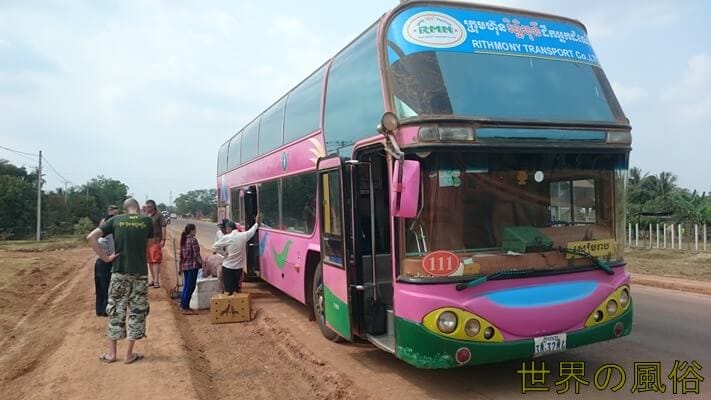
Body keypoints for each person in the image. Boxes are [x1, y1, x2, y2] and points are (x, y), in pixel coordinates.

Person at [87, 197, 153, 364]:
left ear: (124, 209)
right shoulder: (147, 221)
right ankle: (129, 354)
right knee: (137, 311)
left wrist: (106, 258)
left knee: (116, 310)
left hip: (119, 272)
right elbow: (150, 245)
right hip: (140, 273)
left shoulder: (115, 220)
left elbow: (91, 237)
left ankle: (111, 354)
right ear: (138, 209)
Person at [211, 217, 259, 295]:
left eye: (226, 228)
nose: (226, 230)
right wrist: (256, 223)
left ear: (229, 228)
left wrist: (224, 253)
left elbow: (214, 247)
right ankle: (236, 305)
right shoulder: (243, 236)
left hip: (227, 267)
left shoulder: (227, 237)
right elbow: (252, 231)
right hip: (238, 268)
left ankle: (228, 306)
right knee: (236, 290)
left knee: (228, 291)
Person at [94, 211, 116, 317]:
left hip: (100, 262)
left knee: (102, 287)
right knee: (106, 287)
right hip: (105, 263)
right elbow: (101, 243)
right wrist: (109, 255)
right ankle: (104, 309)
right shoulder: (107, 235)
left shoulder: (107, 233)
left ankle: (101, 309)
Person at [179, 224, 201, 315]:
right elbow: (196, 255)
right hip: (192, 266)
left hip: (185, 266)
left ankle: (183, 305)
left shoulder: (183, 240)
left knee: (186, 287)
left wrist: (180, 267)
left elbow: (181, 255)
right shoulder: (193, 240)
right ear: (192, 230)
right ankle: (185, 307)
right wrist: (203, 264)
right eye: (195, 230)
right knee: (191, 287)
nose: (195, 232)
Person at [144, 199, 167, 288]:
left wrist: (163, 239)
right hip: (146, 241)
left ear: (154, 206)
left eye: (149, 206)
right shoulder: (145, 216)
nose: (148, 208)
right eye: (147, 206)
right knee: (149, 261)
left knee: (155, 260)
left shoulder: (159, 215)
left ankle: (156, 280)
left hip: (156, 240)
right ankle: (153, 279)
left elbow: (163, 227)